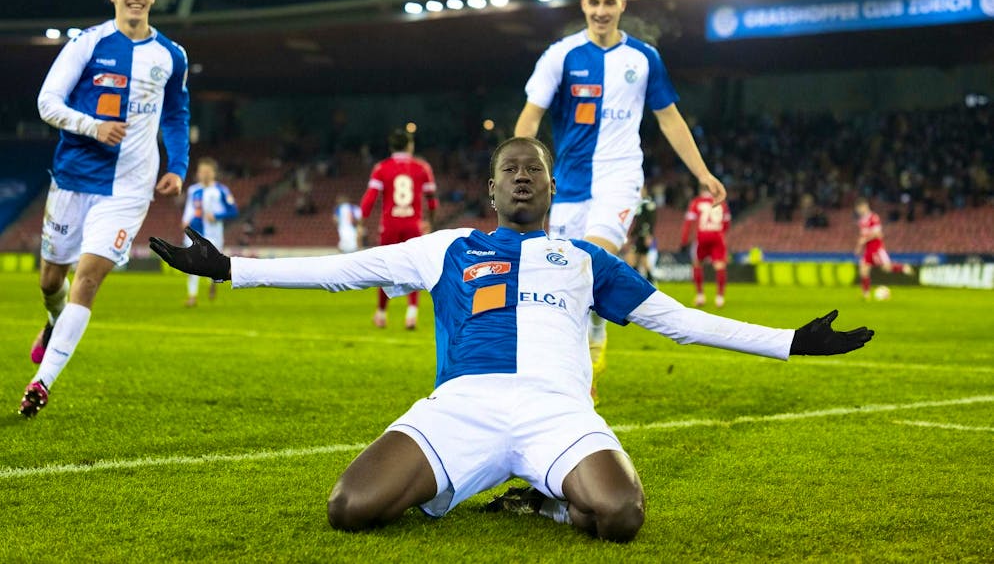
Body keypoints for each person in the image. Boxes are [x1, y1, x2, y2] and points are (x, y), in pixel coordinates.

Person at [150, 136, 873, 543]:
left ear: (553, 191)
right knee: (349, 507)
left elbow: (675, 318)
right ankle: (505, 480)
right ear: (492, 191)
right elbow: (345, 270)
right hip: (460, 409)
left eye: (535, 171)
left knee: (619, 515)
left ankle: (548, 491)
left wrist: (789, 342)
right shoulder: (448, 247)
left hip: (556, 412)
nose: (522, 178)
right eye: (510, 171)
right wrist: (231, 268)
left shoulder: (587, 260)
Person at [514, 0, 726, 401]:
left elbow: (670, 119)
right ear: (583, 5)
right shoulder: (561, 55)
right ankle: (588, 341)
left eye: (610, 2)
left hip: (620, 177)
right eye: (594, 2)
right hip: (568, 184)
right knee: (566, 274)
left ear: (623, 4)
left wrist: (702, 173)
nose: (601, 10)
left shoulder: (644, 58)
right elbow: (531, 117)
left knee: (588, 259)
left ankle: (591, 349)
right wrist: (518, 171)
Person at [20, 0, 190, 417]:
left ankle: (42, 383)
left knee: (89, 278)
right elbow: (46, 103)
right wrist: (93, 126)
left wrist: (177, 164)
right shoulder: (87, 44)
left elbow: (176, 114)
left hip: (129, 190)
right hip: (75, 178)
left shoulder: (171, 55)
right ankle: (53, 322)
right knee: (51, 279)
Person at [359, 129, 437, 329]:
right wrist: (432, 222)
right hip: (413, 224)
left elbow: (369, 199)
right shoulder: (422, 167)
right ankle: (411, 314)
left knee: (384, 270)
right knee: (414, 269)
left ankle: (381, 314)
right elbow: (432, 201)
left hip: (390, 225)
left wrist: (361, 222)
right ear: (410, 145)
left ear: (391, 146)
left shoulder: (381, 168)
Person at [182, 157, 238, 307]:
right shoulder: (193, 190)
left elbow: (233, 211)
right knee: (191, 263)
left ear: (214, 173)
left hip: (214, 234)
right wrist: (185, 220)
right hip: (195, 231)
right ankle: (192, 296)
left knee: (213, 264)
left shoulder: (221, 190)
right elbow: (190, 208)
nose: (204, 174)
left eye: (207, 171)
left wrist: (217, 216)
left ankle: (213, 282)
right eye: (202, 171)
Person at [680, 183, 732, 308]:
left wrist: (684, 240)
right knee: (719, 266)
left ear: (700, 190)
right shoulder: (721, 203)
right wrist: (721, 233)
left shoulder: (696, 202)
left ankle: (700, 296)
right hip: (717, 236)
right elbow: (727, 222)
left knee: (697, 263)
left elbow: (689, 223)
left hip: (702, 237)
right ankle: (720, 298)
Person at [854, 197, 914, 300]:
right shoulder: (862, 221)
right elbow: (863, 236)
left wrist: (865, 240)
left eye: (859, 209)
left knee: (886, 268)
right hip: (868, 249)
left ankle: (903, 267)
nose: (858, 211)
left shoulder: (874, 217)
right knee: (863, 269)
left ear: (864, 206)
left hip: (876, 248)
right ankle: (866, 295)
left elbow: (878, 234)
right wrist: (859, 246)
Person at [624, 188, 657, 281]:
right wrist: (631, 235)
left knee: (631, 258)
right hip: (639, 236)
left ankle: (636, 281)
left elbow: (651, 221)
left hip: (643, 236)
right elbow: (638, 223)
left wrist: (648, 235)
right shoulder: (640, 204)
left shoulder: (648, 203)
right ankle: (649, 281)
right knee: (642, 260)